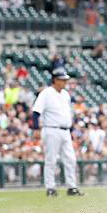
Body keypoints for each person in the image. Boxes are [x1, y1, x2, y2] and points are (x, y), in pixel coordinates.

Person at [31, 68, 83, 197]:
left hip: (65, 131)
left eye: (65, 79)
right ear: (55, 80)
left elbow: (66, 114)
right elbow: (36, 112)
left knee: (71, 159)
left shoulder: (65, 94)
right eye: (62, 79)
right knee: (51, 160)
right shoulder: (46, 93)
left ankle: (72, 187)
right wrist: (36, 129)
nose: (65, 81)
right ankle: (50, 188)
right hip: (51, 129)